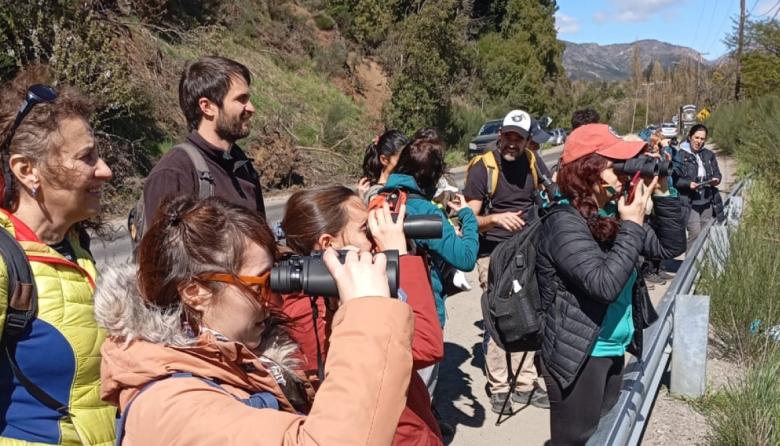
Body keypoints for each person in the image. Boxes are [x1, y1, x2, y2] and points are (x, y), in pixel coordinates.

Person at [96, 196, 414, 445]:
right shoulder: (171, 408)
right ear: (195, 293)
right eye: (260, 285)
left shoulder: (231, 359)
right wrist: (366, 315)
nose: (274, 301)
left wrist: (340, 312)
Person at [537, 124, 685, 445]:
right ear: (587, 171)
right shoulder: (563, 223)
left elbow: (669, 246)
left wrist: (662, 190)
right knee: (576, 441)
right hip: (580, 355)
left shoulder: (608, 213)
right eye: (614, 164)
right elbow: (604, 285)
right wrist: (632, 224)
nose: (622, 172)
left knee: (604, 437)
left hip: (613, 347)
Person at [0, 67, 116, 444]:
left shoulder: (76, 250)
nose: (106, 171)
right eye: (87, 158)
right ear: (26, 170)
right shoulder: (5, 263)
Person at [280, 185, 445, 445]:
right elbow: (426, 344)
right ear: (328, 244)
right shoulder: (310, 309)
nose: (374, 236)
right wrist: (399, 253)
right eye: (364, 229)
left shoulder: (313, 294)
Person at [463, 109, 552, 414]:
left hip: (528, 250)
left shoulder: (532, 161)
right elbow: (468, 221)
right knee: (500, 317)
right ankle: (500, 385)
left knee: (529, 315)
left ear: (528, 140)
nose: (512, 143)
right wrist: (496, 219)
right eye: (508, 136)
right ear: (500, 135)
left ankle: (526, 383)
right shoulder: (482, 169)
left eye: (519, 138)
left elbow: (548, 194)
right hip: (494, 253)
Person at [141, 56, 265, 225]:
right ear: (207, 106)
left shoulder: (241, 164)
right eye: (241, 99)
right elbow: (161, 250)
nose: (251, 108)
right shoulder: (174, 174)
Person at [673, 124, 723, 250]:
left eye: (702, 139)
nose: (699, 141)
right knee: (695, 232)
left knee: (706, 233)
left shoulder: (709, 155)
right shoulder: (680, 155)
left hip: (707, 201)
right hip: (690, 202)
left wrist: (716, 180)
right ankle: (690, 266)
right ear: (690, 137)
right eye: (696, 138)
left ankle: (702, 264)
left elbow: (717, 173)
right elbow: (675, 180)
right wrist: (688, 184)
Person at [358, 130, 409, 204]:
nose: (406, 163)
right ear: (384, 160)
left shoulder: (403, 187)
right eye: (401, 159)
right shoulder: (376, 195)